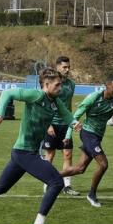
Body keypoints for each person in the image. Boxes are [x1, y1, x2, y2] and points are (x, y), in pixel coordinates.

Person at [0, 68, 81, 224]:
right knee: (56, 182)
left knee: (0, 187)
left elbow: (66, 114)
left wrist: (75, 123)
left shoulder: (54, 101)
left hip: (24, 153)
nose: (60, 88)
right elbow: (8, 92)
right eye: (57, 85)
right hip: (24, 152)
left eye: (61, 84)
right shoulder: (36, 95)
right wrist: (0, 115)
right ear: (46, 85)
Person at [59, 75, 113, 208]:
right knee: (103, 164)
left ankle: (51, 176)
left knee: (80, 169)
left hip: (97, 136)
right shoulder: (94, 97)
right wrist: (68, 136)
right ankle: (92, 194)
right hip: (87, 133)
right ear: (106, 86)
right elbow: (76, 116)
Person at [42, 56, 80, 196]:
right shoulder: (51, 83)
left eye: (68, 67)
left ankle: (67, 185)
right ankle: (47, 184)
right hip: (52, 124)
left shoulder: (72, 84)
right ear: (57, 67)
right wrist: (48, 124)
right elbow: (45, 103)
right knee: (50, 155)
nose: (67, 69)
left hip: (66, 125)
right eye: (64, 67)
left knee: (68, 153)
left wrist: (71, 123)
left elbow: (68, 106)